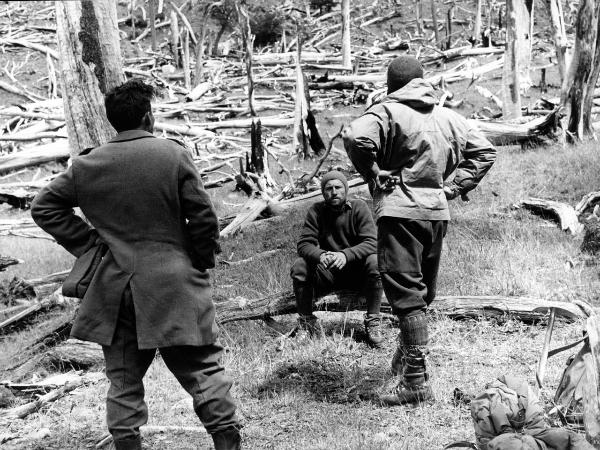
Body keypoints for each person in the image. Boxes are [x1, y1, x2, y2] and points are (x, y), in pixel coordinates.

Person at [30, 79, 240, 450]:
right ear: (149, 115)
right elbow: (204, 218)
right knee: (202, 368)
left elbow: (43, 206)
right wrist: (199, 260)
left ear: (113, 121)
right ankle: (227, 443)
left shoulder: (85, 165)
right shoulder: (172, 155)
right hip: (175, 283)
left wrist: (91, 244)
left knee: (124, 380)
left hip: (115, 286)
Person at [343, 55, 496, 405]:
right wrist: (453, 187)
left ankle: (415, 383)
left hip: (400, 212)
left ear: (391, 84)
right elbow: (485, 152)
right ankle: (407, 357)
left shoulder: (386, 112)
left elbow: (354, 137)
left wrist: (373, 171)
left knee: (405, 291)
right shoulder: (448, 116)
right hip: (436, 214)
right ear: (421, 81)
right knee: (421, 292)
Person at [290, 170, 384, 347]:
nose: (334, 192)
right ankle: (305, 322)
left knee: (375, 262)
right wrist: (321, 255)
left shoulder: (359, 207)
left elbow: (373, 242)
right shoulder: (316, 211)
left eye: (338, 187)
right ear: (323, 192)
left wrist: (345, 255)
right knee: (300, 266)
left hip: (356, 274)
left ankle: (373, 320)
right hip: (328, 273)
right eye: (328, 188)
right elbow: (303, 245)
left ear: (346, 189)